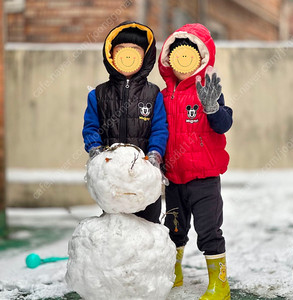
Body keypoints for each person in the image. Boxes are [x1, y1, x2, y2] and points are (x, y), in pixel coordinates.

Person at [158, 23, 233, 299]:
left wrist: (213, 107)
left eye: (190, 56)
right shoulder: (163, 96)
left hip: (204, 179)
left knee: (209, 230)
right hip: (174, 178)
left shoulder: (207, 91)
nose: (183, 63)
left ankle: (219, 283)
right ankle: (173, 271)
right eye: (178, 57)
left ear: (201, 59)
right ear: (168, 61)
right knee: (174, 229)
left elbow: (224, 124)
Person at [82, 21, 168, 224]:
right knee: (115, 226)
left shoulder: (154, 94)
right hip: (112, 177)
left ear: (145, 57)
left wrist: (155, 154)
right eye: (120, 50)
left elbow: (160, 128)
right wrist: (96, 150)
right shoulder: (99, 94)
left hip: (144, 175)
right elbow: (90, 127)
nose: (127, 56)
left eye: (135, 51)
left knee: (148, 225)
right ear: (110, 56)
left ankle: (147, 256)